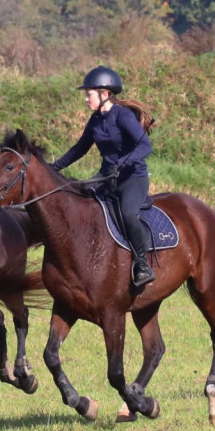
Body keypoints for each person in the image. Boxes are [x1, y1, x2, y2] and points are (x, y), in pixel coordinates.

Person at [51, 65, 157, 287]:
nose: (86, 98)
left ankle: (142, 264)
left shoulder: (123, 116)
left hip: (132, 177)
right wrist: (53, 167)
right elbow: (79, 149)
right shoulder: (96, 120)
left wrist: (122, 162)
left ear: (105, 94)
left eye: (89, 94)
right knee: (78, 199)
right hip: (107, 176)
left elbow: (145, 146)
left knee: (128, 214)